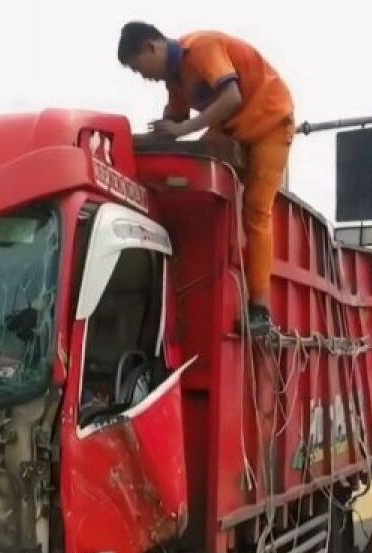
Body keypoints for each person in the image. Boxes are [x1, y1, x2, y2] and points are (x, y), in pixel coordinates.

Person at [117, 22, 294, 335]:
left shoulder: (201, 49)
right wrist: (128, 140)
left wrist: (183, 131)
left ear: (152, 48)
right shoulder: (175, 81)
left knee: (255, 210)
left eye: (138, 68)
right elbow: (173, 125)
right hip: (232, 128)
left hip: (268, 121)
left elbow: (232, 97)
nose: (141, 76)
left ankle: (260, 309)